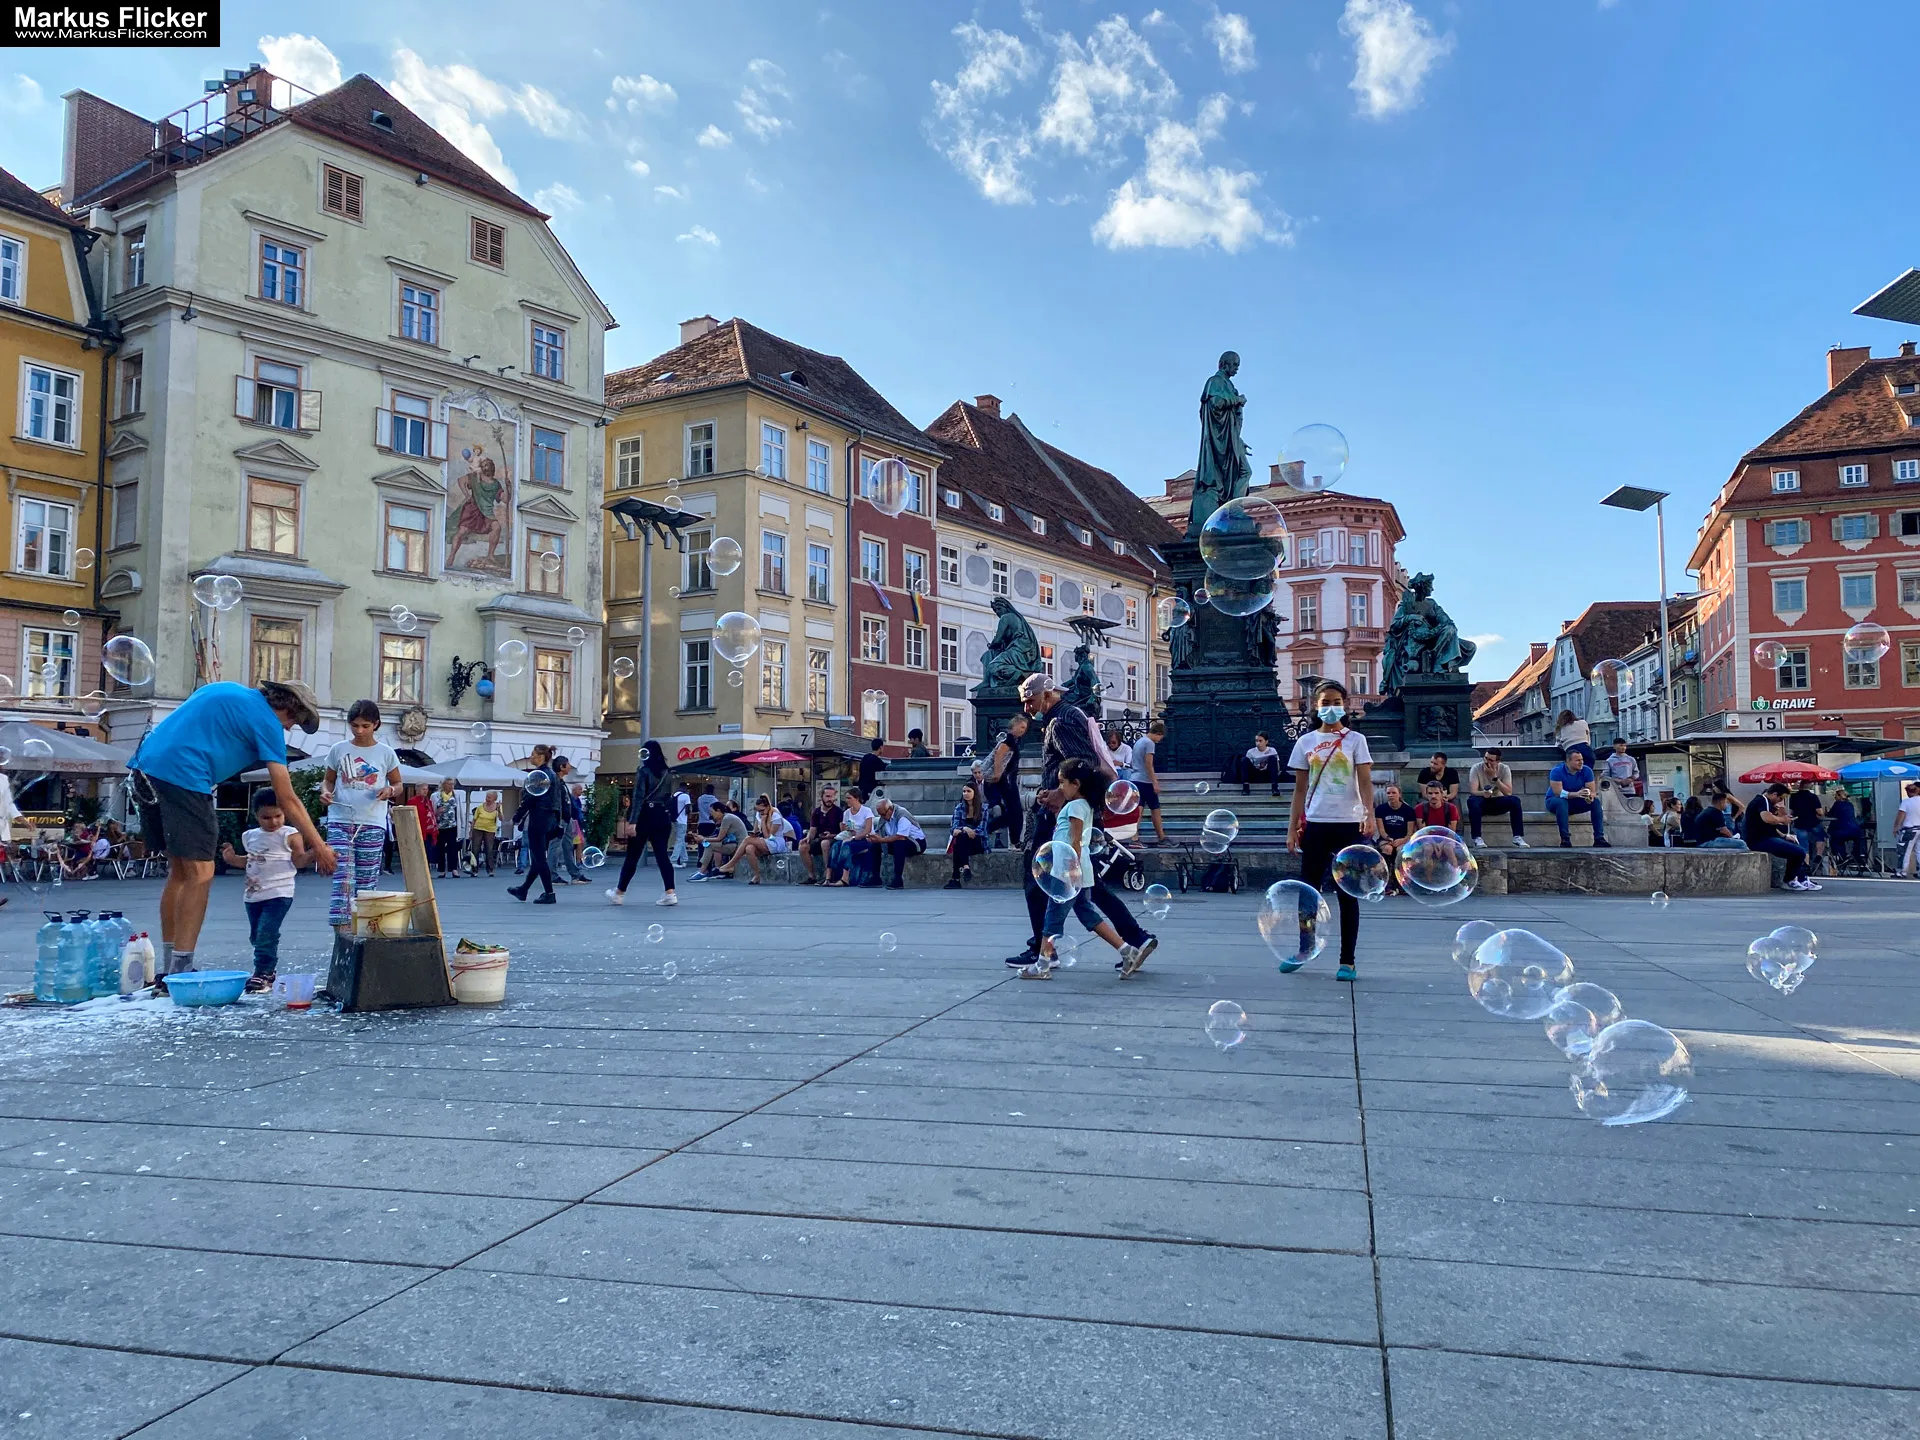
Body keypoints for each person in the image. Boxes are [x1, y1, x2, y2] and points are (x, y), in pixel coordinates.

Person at [128, 678, 336, 979]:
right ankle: (180, 972)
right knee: (201, 873)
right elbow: (287, 799)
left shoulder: (225, 689)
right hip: (185, 776)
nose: (289, 728)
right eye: (295, 720)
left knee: (181, 872)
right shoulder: (266, 721)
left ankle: (170, 967)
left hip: (145, 768)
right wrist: (320, 846)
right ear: (288, 706)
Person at [1005, 673, 1156, 972]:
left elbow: (1081, 764)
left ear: (1047, 695)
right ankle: (1134, 938)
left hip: (1062, 814)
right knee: (1087, 884)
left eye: (1031, 701)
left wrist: (1058, 794)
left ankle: (1042, 950)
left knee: (1038, 877)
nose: (1027, 708)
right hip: (1072, 808)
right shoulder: (1067, 715)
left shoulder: (1060, 722)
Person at [1285, 679, 1374, 982]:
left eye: (1336, 701)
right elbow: (1299, 789)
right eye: (1325, 702)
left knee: (1347, 894)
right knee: (1308, 892)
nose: (1331, 707)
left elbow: (1364, 782)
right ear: (1315, 706)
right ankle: (1303, 949)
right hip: (1316, 824)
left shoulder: (1355, 741)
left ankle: (1347, 960)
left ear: (1345, 705)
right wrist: (1291, 827)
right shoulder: (1305, 742)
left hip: (1348, 824)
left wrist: (1368, 814)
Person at [1025, 758, 1135, 978]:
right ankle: (1126, 950)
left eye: (1063, 783)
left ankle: (1043, 964)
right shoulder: (1083, 805)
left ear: (1076, 784)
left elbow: (1074, 841)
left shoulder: (1075, 806)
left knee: (1052, 917)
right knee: (1088, 915)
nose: (1060, 788)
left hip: (1067, 871)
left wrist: (1069, 869)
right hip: (1080, 871)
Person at [320, 700, 402, 937]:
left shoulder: (386, 753)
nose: (359, 731)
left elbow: (398, 784)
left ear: (376, 724)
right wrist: (324, 791)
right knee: (342, 874)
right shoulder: (338, 749)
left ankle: (365, 926)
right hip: (340, 818)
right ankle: (342, 928)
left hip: (372, 821)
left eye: (365, 726)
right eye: (354, 725)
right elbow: (328, 780)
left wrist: (390, 791)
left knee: (367, 878)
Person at [219, 787, 311, 992]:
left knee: (266, 933)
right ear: (256, 816)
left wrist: (318, 852)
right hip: (253, 895)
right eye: (266, 817)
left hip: (280, 893)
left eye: (278, 816)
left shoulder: (290, 834)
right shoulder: (250, 836)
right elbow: (251, 861)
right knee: (256, 935)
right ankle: (267, 971)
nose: (273, 822)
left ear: (285, 812)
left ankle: (263, 972)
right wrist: (233, 859)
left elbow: (300, 861)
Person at [607, 740, 678, 907]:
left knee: (633, 855)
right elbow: (669, 797)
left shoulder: (644, 771)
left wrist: (632, 822)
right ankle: (670, 892)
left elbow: (638, 797)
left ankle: (619, 893)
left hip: (645, 814)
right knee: (662, 855)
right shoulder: (668, 773)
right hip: (662, 815)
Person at [508, 746, 562, 904]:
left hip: (539, 819)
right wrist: (558, 823)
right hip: (550, 819)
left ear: (541, 757)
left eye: (533, 754)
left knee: (539, 858)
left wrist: (517, 816)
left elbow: (530, 799)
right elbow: (559, 800)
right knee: (538, 857)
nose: (530, 757)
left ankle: (549, 893)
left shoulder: (539, 775)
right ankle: (523, 890)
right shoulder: (552, 775)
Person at [1744, 782, 1819, 891]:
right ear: (1774, 794)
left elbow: (1769, 825)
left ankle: (1802, 878)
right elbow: (1767, 819)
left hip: (1765, 837)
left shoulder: (1766, 803)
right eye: (1780, 798)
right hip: (1759, 840)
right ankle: (1789, 880)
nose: (1780, 801)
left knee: (1794, 844)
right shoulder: (1762, 801)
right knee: (1799, 852)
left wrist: (1784, 836)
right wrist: (1783, 820)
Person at [718, 795, 789, 884]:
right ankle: (756, 875)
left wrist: (763, 822)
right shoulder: (759, 815)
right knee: (749, 848)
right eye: (759, 811)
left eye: (762, 810)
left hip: (776, 842)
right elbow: (755, 830)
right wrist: (754, 834)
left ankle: (732, 864)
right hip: (764, 841)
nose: (761, 813)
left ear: (768, 807)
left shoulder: (776, 817)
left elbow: (769, 837)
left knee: (747, 840)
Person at [1545, 750, 1609, 848]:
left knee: (1595, 802)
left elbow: (1592, 791)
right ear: (1568, 761)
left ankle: (1599, 838)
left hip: (1574, 801)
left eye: (1582, 760)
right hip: (1554, 801)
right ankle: (1565, 838)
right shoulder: (1557, 771)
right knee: (1562, 803)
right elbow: (1558, 793)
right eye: (1577, 760)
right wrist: (1577, 794)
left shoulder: (1586, 770)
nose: (1581, 762)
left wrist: (1589, 796)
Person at [1466, 747, 1528, 847]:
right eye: (1485, 758)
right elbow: (1473, 791)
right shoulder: (1476, 768)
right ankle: (1477, 838)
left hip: (1498, 801)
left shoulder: (1504, 769)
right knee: (1472, 801)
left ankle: (1518, 837)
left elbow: (1508, 792)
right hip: (1482, 801)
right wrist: (1483, 793)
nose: (1487, 762)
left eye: (1491, 760)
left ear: (1498, 761)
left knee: (1515, 801)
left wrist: (1495, 778)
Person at [985, 714, 1029, 849]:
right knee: (1015, 812)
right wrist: (998, 773)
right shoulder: (1009, 740)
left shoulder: (1013, 740)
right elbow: (999, 754)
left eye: (1025, 728)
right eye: (1021, 727)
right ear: (1013, 726)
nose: (1023, 730)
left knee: (1013, 813)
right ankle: (989, 830)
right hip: (1006, 781)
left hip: (1008, 780)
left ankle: (990, 830)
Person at [871, 796, 926, 889]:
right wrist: (873, 837)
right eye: (880, 815)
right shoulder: (884, 817)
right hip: (897, 840)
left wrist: (882, 840)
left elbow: (901, 836)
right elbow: (879, 831)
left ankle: (898, 879)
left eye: (883, 815)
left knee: (899, 844)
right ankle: (875, 877)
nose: (882, 817)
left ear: (889, 810)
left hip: (916, 843)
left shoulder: (902, 815)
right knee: (874, 845)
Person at [1372, 782, 1417, 893]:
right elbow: (1381, 831)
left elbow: (1409, 833)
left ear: (1399, 795)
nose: (1391, 795)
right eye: (1388, 793)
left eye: (1393, 793)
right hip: (1387, 839)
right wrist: (1388, 839)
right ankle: (1386, 880)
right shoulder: (1380, 810)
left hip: (1403, 839)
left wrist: (1402, 840)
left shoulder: (1408, 811)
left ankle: (1401, 881)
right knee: (1388, 848)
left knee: (1400, 849)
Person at [689, 801, 749, 880]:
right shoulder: (727, 817)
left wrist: (703, 839)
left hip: (739, 846)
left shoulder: (727, 818)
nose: (711, 814)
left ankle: (702, 872)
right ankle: (711, 870)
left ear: (718, 811)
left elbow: (719, 838)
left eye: (712, 812)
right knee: (711, 845)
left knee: (709, 845)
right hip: (735, 844)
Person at [831, 787, 876, 887]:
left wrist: (854, 838)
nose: (847, 800)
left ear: (857, 798)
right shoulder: (847, 813)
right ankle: (831, 875)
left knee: (847, 846)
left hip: (865, 839)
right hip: (851, 836)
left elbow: (867, 830)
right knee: (835, 846)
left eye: (849, 798)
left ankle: (845, 878)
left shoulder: (866, 811)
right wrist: (847, 829)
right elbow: (844, 830)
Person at [1134, 718, 1169, 846]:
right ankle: (1162, 838)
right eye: (1161, 738)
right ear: (1158, 734)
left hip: (1135, 779)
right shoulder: (1150, 743)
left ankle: (1134, 838)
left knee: (1139, 810)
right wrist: (1155, 782)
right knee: (1155, 808)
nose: (1160, 741)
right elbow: (1149, 764)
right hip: (1145, 781)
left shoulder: (1139, 741)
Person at [946, 780, 988, 888]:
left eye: (968, 791)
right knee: (961, 838)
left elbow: (981, 830)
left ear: (975, 792)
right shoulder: (959, 808)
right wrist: (965, 829)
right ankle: (965, 867)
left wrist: (968, 831)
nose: (965, 794)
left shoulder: (983, 808)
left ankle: (955, 878)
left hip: (978, 842)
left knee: (960, 840)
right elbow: (953, 828)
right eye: (964, 791)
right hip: (964, 842)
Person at [801, 783, 844, 885]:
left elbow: (842, 832)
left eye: (832, 796)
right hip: (819, 838)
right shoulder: (816, 812)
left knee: (825, 843)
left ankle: (828, 875)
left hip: (834, 838)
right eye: (827, 796)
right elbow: (813, 830)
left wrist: (831, 835)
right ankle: (811, 876)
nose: (830, 799)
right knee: (803, 847)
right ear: (822, 797)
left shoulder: (838, 812)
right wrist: (807, 838)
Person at [1787, 779, 1826, 873]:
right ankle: (1819, 855)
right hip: (1813, 823)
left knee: (1804, 846)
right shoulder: (1813, 797)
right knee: (1821, 837)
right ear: (1809, 786)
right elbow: (1820, 812)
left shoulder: (1793, 797)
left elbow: (1791, 812)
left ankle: (1806, 866)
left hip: (1799, 823)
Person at [432, 777, 465, 879]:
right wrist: (437, 812)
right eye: (449, 784)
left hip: (453, 825)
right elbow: (431, 811)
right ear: (444, 785)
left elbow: (459, 811)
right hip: (440, 826)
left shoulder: (456, 795)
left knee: (453, 848)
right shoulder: (435, 796)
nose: (451, 786)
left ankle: (454, 869)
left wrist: (462, 824)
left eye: (452, 784)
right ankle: (442, 870)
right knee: (440, 848)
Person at [470, 791, 502, 875]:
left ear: (494, 799)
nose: (487, 799)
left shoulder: (498, 807)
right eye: (487, 797)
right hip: (478, 829)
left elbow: (501, 819)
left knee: (489, 850)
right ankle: (474, 870)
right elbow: (474, 820)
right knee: (475, 850)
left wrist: (499, 810)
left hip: (490, 830)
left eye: (489, 797)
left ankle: (490, 870)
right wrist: (471, 831)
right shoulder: (480, 807)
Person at [1242, 732, 1282, 797]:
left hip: (1267, 774)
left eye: (1260, 741)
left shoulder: (1272, 750)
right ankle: (1245, 787)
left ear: (1266, 742)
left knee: (1272, 758)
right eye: (1256, 741)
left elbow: (1277, 765)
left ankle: (1275, 788)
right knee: (1244, 760)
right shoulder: (1251, 752)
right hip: (1255, 774)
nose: (1258, 743)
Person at [1897, 781, 1920, 878]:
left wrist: (1896, 827)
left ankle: (1902, 872)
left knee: (1904, 851)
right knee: (1919, 851)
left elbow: (1901, 815)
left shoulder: (1906, 802)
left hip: (1910, 829)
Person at [670, 784, 692, 866]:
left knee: (681, 839)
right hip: (682, 820)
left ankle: (684, 859)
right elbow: (687, 809)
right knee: (679, 840)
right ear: (685, 788)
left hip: (675, 820)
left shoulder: (674, 795)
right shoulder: (686, 796)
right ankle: (673, 860)